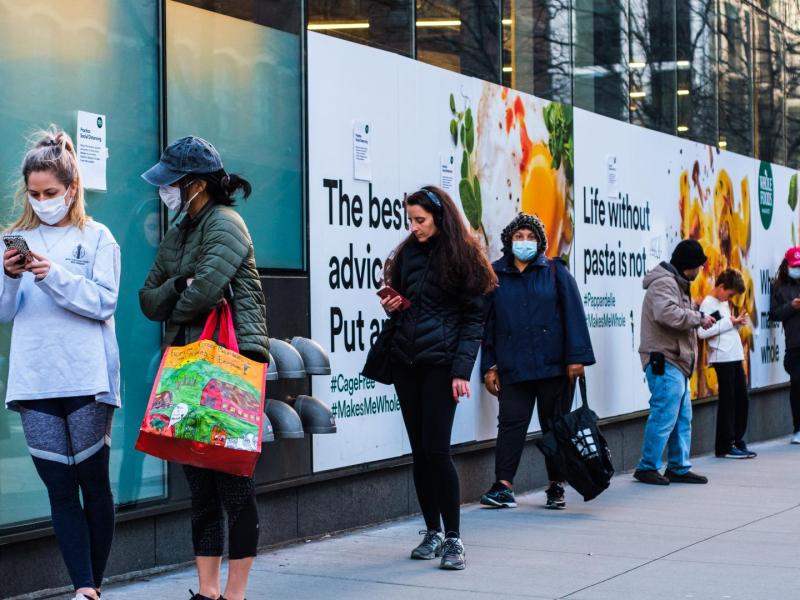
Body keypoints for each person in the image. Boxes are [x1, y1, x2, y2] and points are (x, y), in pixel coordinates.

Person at [139, 136, 269, 600]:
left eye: (171, 183)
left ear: (194, 184)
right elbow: (148, 299)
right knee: (201, 491)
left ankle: (234, 595)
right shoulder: (182, 228)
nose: (165, 191)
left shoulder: (226, 223)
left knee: (234, 486)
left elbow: (204, 294)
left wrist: (180, 293)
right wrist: (179, 284)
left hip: (230, 365)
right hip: (188, 367)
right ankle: (207, 592)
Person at [0, 128, 120, 600]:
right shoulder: (14, 240)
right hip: (33, 378)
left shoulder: (97, 237)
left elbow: (104, 303)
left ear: (71, 188)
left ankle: (93, 584)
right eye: (34, 193)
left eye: (51, 192)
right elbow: (4, 313)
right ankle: (84, 588)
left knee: (93, 480)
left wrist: (55, 276)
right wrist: (10, 277)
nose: (43, 200)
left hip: (87, 375)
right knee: (59, 486)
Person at [379, 186, 495, 571]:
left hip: (442, 365)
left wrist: (462, 371)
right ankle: (432, 531)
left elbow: (473, 319)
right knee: (419, 452)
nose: (414, 227)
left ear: (440, 216)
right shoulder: (407, 254)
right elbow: (406, 305)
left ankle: (455, 539)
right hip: (406, 361)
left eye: (421, 220)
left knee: (437, 450)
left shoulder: (463, 257)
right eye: (410, 220)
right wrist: (392, 303)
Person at [479, 213, 595, 510]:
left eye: (531, 237)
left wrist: (576, 358)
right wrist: (489, 366)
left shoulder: (555, 272)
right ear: (509, 240)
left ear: (540, 242)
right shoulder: (494, 275)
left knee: (555, 426)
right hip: (513, 366)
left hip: (554, 366)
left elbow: (573, 315)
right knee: (510, 425)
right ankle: (503, 486)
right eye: (519, 237)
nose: (525, 242)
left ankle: (556, 485)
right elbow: (486, 324)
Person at [633, 239, 715, 486]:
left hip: (676, 362)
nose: (700, 271)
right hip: (664, 359)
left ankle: (678, 466)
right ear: (689, 265)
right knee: (664, 415)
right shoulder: (665, 283)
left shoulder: (678, 283)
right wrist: (698, 318)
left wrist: (695, 317)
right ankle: (647, 467)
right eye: (699, 266)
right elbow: (666, 313)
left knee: (681, 418)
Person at [697, 269, 756, 459]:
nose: (729, 298)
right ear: (721, 287)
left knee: (741, 399)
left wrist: (735, 322)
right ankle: (725, 445)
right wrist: (730, 323)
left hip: (733, 355)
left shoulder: (721, 302)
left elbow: (722, 326)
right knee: (729, 401)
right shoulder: (708, 303)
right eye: (730, 294)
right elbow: (703, 332)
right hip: (722, 357)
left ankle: (737, 440)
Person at [769, 247, 800, 444]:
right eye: (795, 266)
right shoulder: (779, 287)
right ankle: (798, 428)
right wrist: (792, 306)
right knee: (797, 384)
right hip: (795, 344)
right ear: (786, 265)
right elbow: (774, 314)